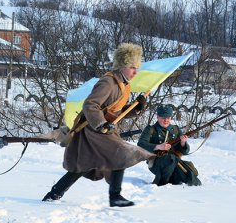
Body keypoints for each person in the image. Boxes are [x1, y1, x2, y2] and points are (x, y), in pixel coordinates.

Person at [42, 43, 154, 207]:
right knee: (121, 154)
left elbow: (115, 112)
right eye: (132, 67)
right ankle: (115, 196)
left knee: (83, 165)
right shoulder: (108, 82)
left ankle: (54, 193)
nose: (135, 72)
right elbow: (90, 105)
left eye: (136, 68)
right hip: (93, 129)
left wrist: (135, 108)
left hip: (103, 128)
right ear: (122, 65)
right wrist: (101, 124)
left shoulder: (124, 85)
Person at [137, 105, 201, 186]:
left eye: (168, 117)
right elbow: (140, 144)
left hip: (175, 162)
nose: (166, 120)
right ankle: (161, 183)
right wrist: (158, 146)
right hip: (157, 162)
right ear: (157, 117)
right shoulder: (150, 129)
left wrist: (183, 143)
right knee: (170, 158)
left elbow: (185, 152)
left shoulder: (176, 129)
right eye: (163, 117)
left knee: (192, 179)